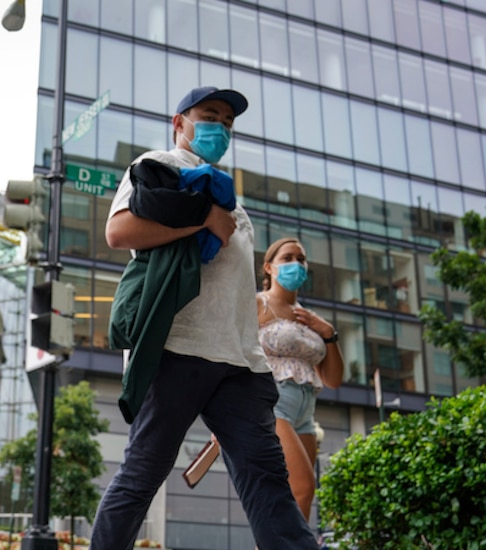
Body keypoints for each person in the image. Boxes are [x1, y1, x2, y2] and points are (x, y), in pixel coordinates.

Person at [93, 87, 318, 549]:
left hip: (240, 361)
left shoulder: (228, 192)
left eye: (228, 123)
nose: (220, 128)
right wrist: (202, 220)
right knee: (144, 472)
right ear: (180, 123)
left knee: (268, 479)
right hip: (178, 347)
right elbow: (118, 232)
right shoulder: (161, 165)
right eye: (209, 116)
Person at [257, 237, 344, 522]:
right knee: (303, 488)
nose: (296, 264)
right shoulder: (258, 304)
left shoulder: (310, 318)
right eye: (288, 258)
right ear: (269, 268)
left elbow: (333, 379)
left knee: (298, 500)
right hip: (274, 402)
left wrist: (329, 333)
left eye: (301, 259)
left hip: (306, 412)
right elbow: (230, 350)